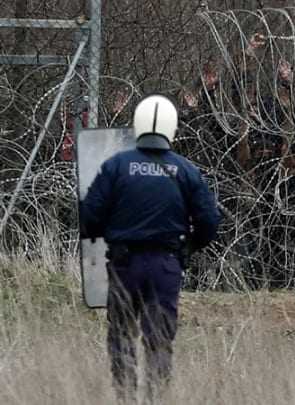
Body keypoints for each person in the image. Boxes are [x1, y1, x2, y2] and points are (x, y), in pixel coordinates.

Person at [80, 94, 221, 401]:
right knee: (159, 339)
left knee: (121, 335)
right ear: (171, 128)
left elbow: (89, 215)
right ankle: (156, 397)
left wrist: (106, 233)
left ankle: (125, 397)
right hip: (166, 265)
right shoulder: (185, 170)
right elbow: (209, 220)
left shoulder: (117, 166)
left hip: (124, 264)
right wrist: (190, 247)